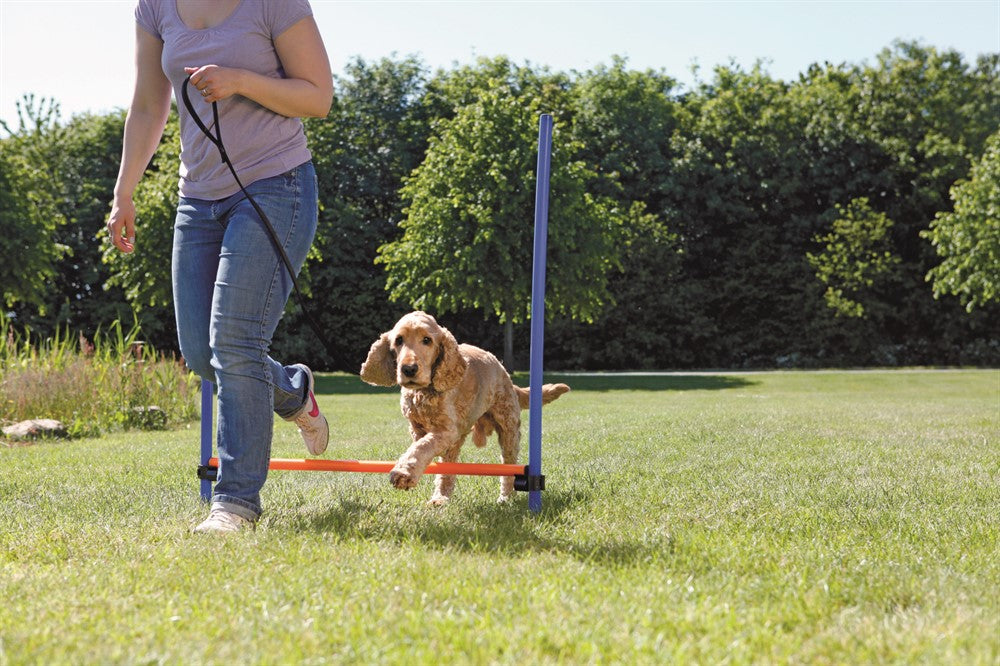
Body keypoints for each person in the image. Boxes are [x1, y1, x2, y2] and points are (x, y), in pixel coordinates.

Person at [107, 0, 334, 533]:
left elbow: (317, 96)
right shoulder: (155, 7)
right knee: (201, 352)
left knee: (234, 339)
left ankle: (234, 504)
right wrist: (125, 190)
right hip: (198, 199)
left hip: (276, 185)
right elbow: (147, 104)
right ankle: (294, 391)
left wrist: (240, 80)